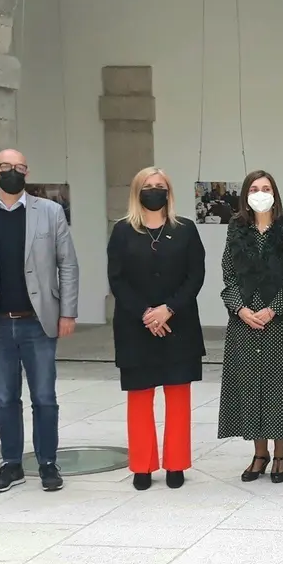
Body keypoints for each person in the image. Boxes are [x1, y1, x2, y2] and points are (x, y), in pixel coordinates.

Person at [0, 149, 79, 494]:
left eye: (19, 167)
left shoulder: (50, 212)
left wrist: (68, 312)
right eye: (6, 167)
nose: (13, 172)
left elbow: (67, 264)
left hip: (37, 322)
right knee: (6, 398)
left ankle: (47, 463)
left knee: (44, 396)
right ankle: (11, 464)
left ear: (27, 171)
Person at [106, 167, 206, 491]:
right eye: (148, 186)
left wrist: (168, 310)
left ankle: (176, 464)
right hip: (136, 327)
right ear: (137, 192)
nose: (154, 191)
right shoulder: (122, 231)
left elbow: (195, 276)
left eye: (160, 186)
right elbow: (117, 280)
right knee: (139, 398)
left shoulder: (186, 229)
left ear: (169, 192)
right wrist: (147, 314)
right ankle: (143, 465)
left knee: (177, 398)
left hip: (179, 325)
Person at [218, 170, 283, 483]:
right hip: (243, 322)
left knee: (278, 386)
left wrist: (273, 310)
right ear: (246, 194)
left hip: (280, 322)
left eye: (266, 188)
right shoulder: (236, 229)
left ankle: (281, 453)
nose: (261, 193)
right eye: (255, 188)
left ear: (275, 192)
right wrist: (241, 309)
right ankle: (259, 453)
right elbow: (228, 276)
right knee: (250, 387)